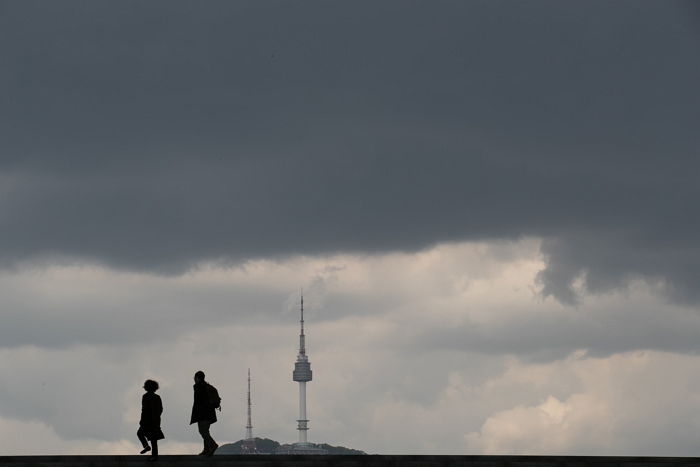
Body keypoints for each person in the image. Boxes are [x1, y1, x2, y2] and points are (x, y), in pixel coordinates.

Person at [190, 370, 219, 456]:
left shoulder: (199, 387)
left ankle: (213, 445)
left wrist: (196, 415)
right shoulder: (207, 386)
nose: (194, 379)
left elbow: (198, 403)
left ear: (198, 378)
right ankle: (206, 449)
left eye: (195, 378)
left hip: (203, 414)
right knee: (205, 431)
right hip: (210, 413)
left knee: (202, 431)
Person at [137, 379, 164, 461]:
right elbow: (161, 409)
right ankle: (154, 455)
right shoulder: (157, 397)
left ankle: (146, 446)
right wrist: (157, 417)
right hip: (155, 421)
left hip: (147, 420)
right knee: (154, 439)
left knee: (140, 433)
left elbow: (144, 410)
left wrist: (142, 420)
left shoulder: (145, 396)